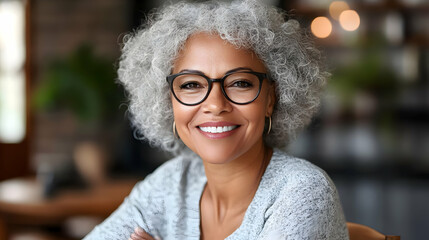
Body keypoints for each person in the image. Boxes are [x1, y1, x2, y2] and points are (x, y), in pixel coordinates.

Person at [84, 0, 349, 239]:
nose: (215, 105)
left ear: (271, 99)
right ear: (169, 102)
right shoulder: (170, 184)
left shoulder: (302, 193)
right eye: (190, 85)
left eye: (240, 83)